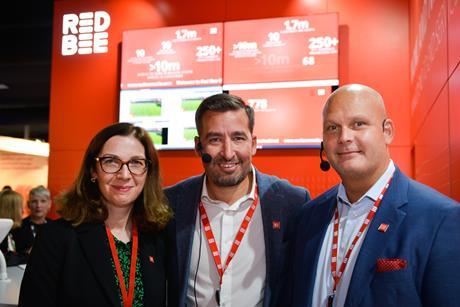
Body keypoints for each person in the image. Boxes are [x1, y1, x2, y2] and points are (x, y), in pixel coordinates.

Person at [285, 84, 460, 306]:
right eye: (332, 128)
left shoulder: (439, 219)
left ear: (387, 131)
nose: (344, 137)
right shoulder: (308, 217)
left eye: (358, 124)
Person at [165, 93, 310, 307]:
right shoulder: (171, 203)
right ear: (198, 147)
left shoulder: (291, 202)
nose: (228, 152)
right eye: (215, 139)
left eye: (238, 138)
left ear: (253, 144)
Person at [19, 123, 172, 307]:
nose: (124, 174)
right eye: (111, 161)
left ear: (148, 172)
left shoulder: (158, 237)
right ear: (93, 170)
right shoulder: (57, 237)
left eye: (136, 163)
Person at [12, 185, 52, 258]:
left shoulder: (56, 226)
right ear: (28, 204)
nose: (38, 206)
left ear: (49, 204)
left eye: (43, 201)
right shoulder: (18, 226)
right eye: (34, 201)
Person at [0, 189, 24, 265]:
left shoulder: (12, 230)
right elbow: (8, 260)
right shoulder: (2, 231)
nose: (23, 211)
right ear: (11, 210)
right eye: (20, 207)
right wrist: (27, 255)